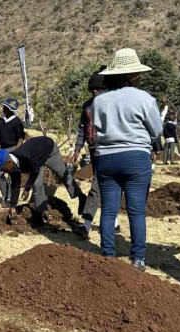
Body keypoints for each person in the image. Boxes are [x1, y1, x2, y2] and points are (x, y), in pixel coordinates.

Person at [92, 48, 162, 271]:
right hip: (136, 158)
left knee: (109, 210)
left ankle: (108, 256)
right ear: (133, 75)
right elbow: (157, 130)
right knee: (136, 211)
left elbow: (96, 128)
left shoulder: (99, 101)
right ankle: (138, 259)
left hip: (106, 158)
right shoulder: (144, 98)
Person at [0, 136, 83, 226]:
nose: (4, 172)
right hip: (37, 160)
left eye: (3, 169)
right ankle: (41, 214)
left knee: (64, 175)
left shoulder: (25, 155)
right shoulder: (12, 167)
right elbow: (15, 185)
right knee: (36, 184)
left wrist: (27, 188)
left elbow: (35, 170)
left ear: (8, 162)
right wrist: (13, 207)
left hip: (49, 150)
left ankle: (81, 197)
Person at [72, 66, 108, 238]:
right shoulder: (87, 106)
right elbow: (82, 129)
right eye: (93, 88)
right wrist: (77, 148)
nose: (95, 90)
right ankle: (112, 221)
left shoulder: (110, 104)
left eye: (98, 88)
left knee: (97, 185)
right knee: (103, 186)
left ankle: (86, 224)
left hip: (107, 149)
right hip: (93, 149)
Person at [0, 98, 26, 206]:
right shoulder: (0, 121)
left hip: (13, 149)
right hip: (2, 150)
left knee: (11, 175)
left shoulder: (17, 122)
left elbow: (21, 138)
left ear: (11, 110)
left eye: (6, 108)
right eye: (4, 106)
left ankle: (10, 199)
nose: (4, 109)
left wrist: (16, 152)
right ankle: (5, 195)